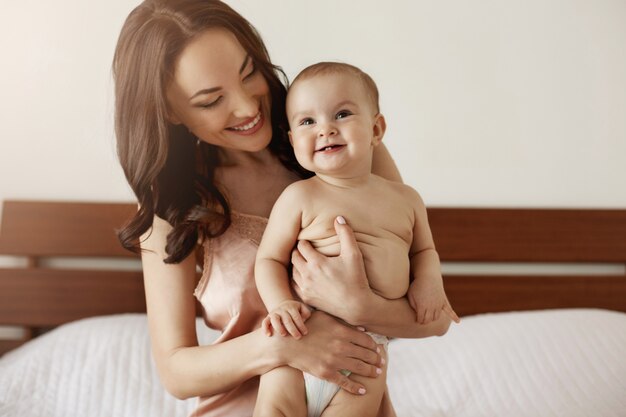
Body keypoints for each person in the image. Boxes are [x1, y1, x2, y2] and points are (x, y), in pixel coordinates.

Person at [112, 1, 453, 416]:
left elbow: (434, 318)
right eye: (211, 100)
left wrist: (362, 309)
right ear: (170, 111)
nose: (247, 107)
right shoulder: (173, 200)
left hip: (351, 397)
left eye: (248, 73)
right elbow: (176, 372)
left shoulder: (339, 144)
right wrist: (284, 343)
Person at [254, 62, 459, 417]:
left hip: (366, 350)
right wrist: (280, 304)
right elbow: (269, 260)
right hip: (299, 342)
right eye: (307, 122)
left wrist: (429, 281)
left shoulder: (406, 199)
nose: (325, 129)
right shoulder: (299, 197)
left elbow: (424, 250)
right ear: (292, 140)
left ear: (376, 129)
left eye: (342, 114)